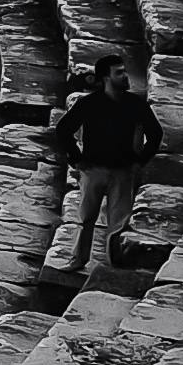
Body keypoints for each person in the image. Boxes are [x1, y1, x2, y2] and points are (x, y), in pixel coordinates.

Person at [49, 55, 162, 274]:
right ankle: (78, 259)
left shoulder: (135, 104)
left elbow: (156, 133)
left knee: (118, 223)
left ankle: (112, 267)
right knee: (86, 218)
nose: (125, 76)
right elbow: (63, 130)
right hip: (94, 170)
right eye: (119, 72)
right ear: (105, 78)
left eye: (124, 71)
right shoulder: (89, 103)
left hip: (123, 172)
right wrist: (77, 158)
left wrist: (140, 161)